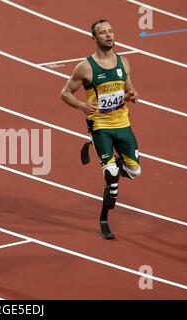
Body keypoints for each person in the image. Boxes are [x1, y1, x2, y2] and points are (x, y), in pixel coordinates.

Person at [60, 19, 141, 226]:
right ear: (94, 38)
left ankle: (113, 163)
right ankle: (108, 185)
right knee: (111, 172)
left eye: (111, 31)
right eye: (103, 33)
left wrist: (132, 94)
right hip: (100, 125)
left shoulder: (124, 62)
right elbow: (65, 93)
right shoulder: (86, 67)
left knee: (134, 172)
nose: (109, 35)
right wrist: (81, 105)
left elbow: (128, 88)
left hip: (122, 123)